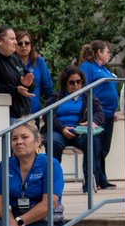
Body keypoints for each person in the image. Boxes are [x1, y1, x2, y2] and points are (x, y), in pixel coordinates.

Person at [44, 65, 104, 187]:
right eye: (72, 82)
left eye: (79, 82)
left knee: (91, 140)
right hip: (60, 131)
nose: (76, 85)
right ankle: (53, 181)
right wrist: (62, 128)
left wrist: (92, 121)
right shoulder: (56, 97)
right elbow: (47, 115)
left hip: (80, 131)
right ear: (65, 83)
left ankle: (89, 180)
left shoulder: (88, 97)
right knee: (52, 141)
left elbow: (100, 114)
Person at [78, 40, 120, 189]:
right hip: (97, 114)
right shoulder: (88, 67)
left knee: (104, 147)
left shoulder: (105, 70)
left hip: (109, 113)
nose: (109, 55)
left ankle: (102, 177)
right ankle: (94, 178)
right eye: (107, 52)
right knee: (95, 146)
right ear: (99, 53)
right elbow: (83, 88)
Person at [15, 30, 53, 114]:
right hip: (14, 112)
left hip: (34, 112)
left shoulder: (39, 62)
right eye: (20, 43)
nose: (23, 46)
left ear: (31, 45)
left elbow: (48, 89)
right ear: (14, 45)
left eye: (27, 43)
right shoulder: (10, 63)